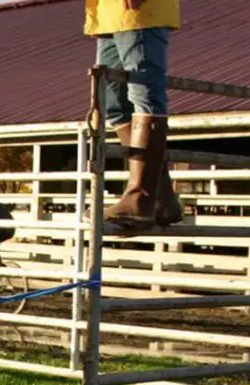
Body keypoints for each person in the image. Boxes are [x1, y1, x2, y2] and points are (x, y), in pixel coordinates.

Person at [86, 0, 184, 229]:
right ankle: (162, 198)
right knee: (113, 104)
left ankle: (140, 197)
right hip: (109, 15)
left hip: (138, 12)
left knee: (145, 93)